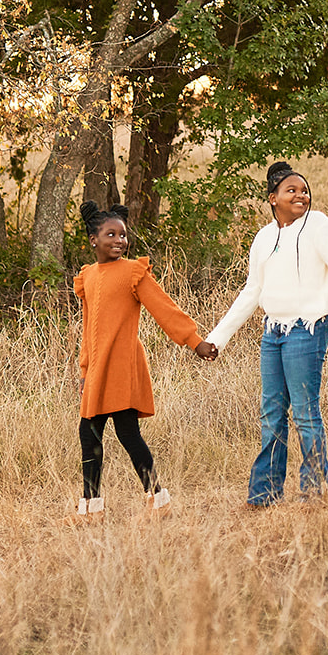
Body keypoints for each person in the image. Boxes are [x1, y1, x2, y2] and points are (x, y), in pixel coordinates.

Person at [205, 161, 328, 507]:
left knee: (306, 412)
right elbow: (251, 293)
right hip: (273, 332)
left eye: (304, 190)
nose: (300, 195)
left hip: (307, 330)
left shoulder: (319, 227)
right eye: (291, 190)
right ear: (272, 198)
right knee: (271, 412)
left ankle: (314, 491)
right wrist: (217, 337)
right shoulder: (264, 238)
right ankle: (264, 492)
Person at [67, 201, 217, 524]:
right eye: (111, 234)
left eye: (123, 235)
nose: (120, 240)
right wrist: (84, 371)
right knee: (89, 433)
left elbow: (164, 308)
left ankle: (157, 499)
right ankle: (92, 509)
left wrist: (194, 341)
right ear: (93, 240)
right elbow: (88, 326)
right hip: (97, 369)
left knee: (127, 432)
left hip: (122, 365)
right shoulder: (88, 276)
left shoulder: (133, 272)